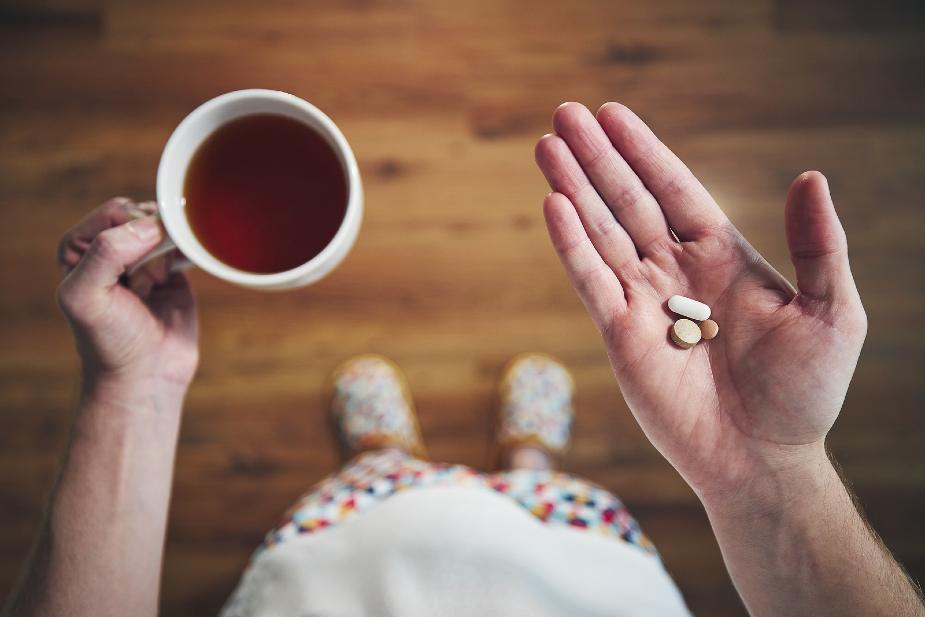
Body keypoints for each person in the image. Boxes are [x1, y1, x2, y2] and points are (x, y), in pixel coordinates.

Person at [2, 102, 923, 617]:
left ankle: (381, 466)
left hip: (342, 577)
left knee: (370, 507)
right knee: (547, 515)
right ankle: (528, 464)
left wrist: (134, 389)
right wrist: (771, 473)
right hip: (576, 582)